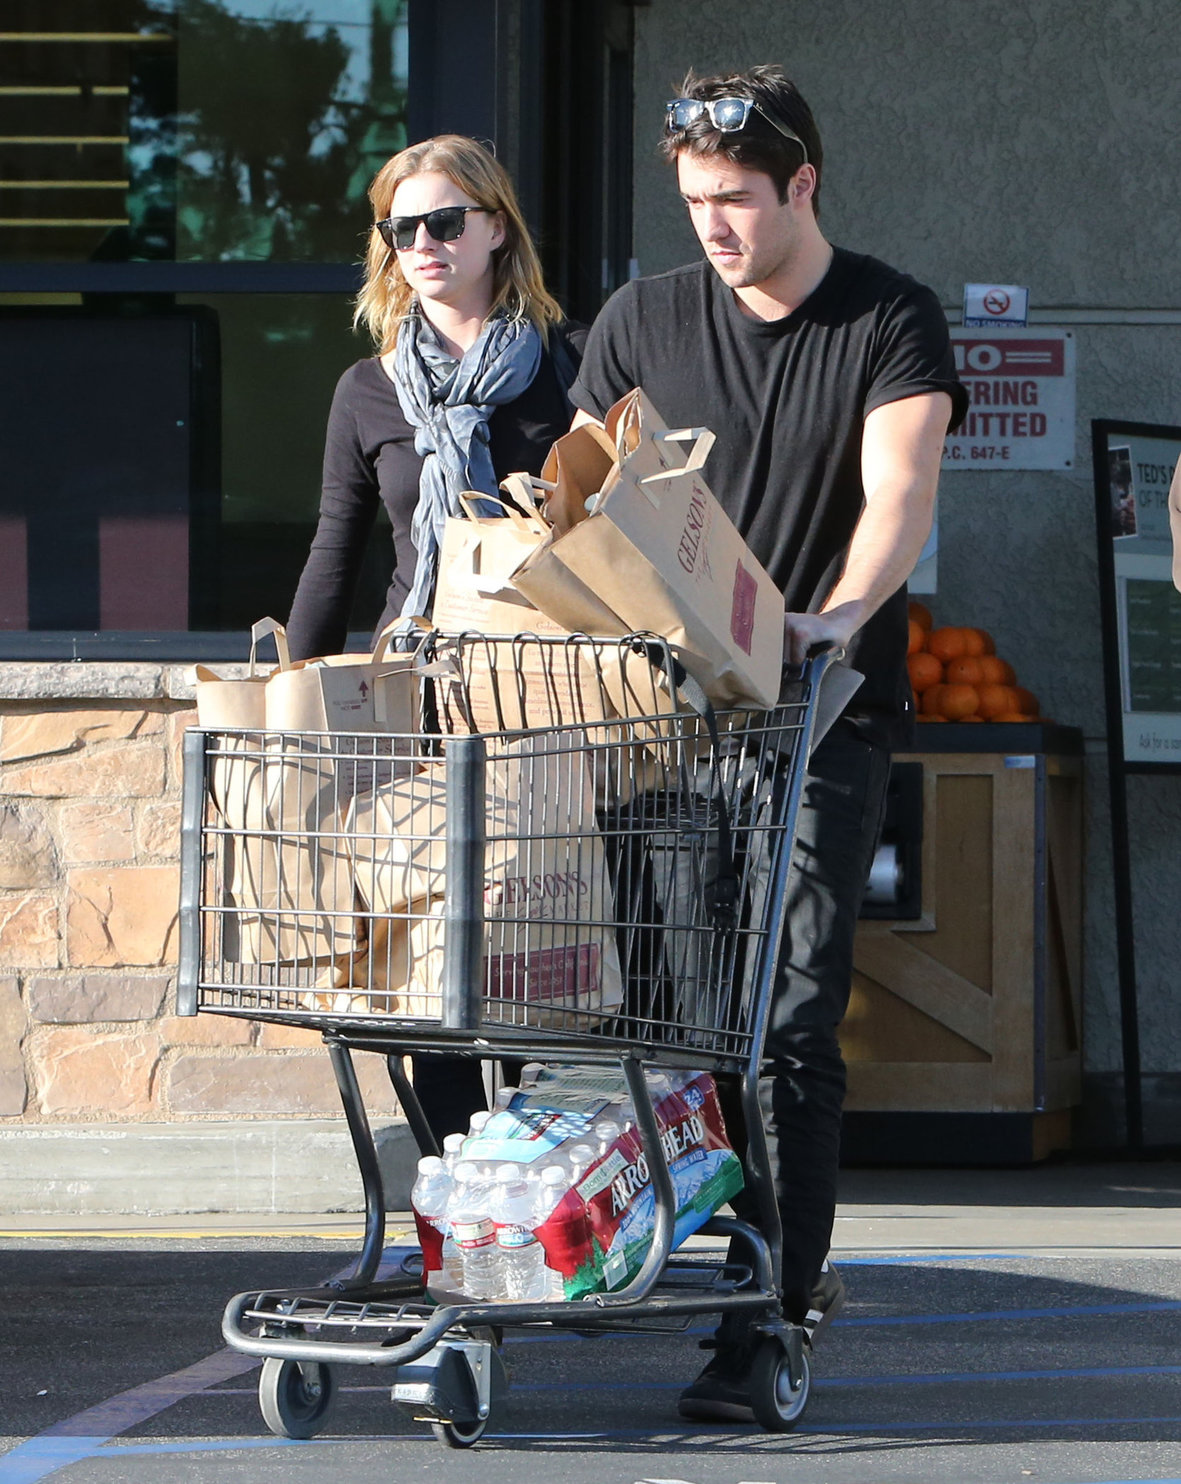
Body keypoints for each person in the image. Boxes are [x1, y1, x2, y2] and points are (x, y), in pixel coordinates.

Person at [570, 65, 968, 1422]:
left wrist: (836, 617)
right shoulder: (641, 319)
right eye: (694, 200)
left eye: (737, 198)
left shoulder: (886, 316)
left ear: (803, 183)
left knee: (787, 1016)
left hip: (818, 713)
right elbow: (584, 494)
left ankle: (773, 1313)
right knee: (680, 1018)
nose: (714, 226)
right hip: (664, 722)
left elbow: (898, 489)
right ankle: (735, 1259)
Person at [288, 134, 585, 1140]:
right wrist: (289, 685)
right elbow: (337, 545)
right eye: (399, 226)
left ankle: (544, 1175)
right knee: (438, 945)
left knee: (540, 934)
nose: (421, 243)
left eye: (444, 221)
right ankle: (457, 1178)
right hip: (415, 692)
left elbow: (613, 525)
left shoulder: (569, 365)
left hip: (543, 690)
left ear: (496, 228)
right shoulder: (368, 389)